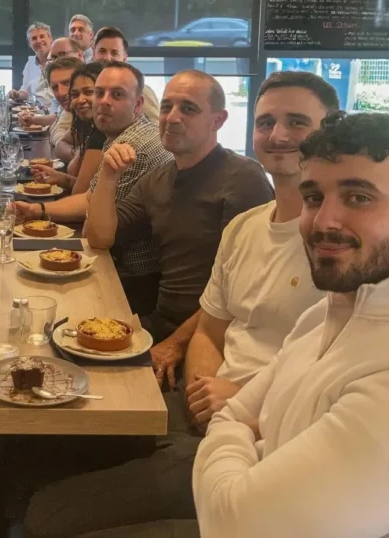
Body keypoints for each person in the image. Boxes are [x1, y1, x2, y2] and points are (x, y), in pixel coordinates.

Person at [24, 71, 336, 538]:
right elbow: (105, 240)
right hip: (192, 387)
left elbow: (327, 379)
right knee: (43, 439)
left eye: (297, 122)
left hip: (254, 436)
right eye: (267, 121)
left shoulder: (331, 244)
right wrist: (108, 175)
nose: (278, 135)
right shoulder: (232, 217)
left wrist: (219, 397)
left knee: (47, 513)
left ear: (218, 121)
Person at [194, 111, 389, 538]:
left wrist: (238, 437)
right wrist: (242, 431)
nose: (323, 222)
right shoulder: (322, 315)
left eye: (359, 197)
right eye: (314, 198)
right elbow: (232, 415)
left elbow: (233, 522)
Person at [86, 70, 274, 375]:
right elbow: (99, 238)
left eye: (188, 109)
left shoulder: (243, 179)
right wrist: (108, 176)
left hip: (213, 338)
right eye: (166, 107)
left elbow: (242, 290)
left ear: (218, 120)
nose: (172, 118)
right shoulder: (157, 179)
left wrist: (176, 344)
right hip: (160, 323)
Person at [15, 62, 173, 313]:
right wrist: (37, 209)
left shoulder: (131, 147)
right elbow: (89, 195)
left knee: (27, 293)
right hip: (125, 267)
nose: (103, 101)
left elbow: (91, 225)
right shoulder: (126, 134)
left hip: (130, 278)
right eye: (100, 93)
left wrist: (38, 209)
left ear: (139, 104)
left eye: (117, 95)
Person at [31, 62, 107, 194]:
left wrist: (40, 209)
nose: (61, 93)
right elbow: (87, 189)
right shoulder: (87, 122)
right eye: (75, 94)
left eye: (89, 92)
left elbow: (80, 195)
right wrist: (61, 178)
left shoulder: (104, 130)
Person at [19, 56, 83, 163]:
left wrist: (65, 148)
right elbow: (57, 125)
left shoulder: (93, 113)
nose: (61, 93)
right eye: (55, 87)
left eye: (67, 83)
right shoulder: (69, 109)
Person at [92, 26, 160, 122]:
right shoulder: (82, 88)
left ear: (124, 58)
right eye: (102, 51)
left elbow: (156, 129)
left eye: (114, 53)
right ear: (93, 53)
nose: (107, 58)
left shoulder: (141, 91)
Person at [9, 22, 54, 107]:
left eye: (42, 36)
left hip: (57, 112)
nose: (38, 41)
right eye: (34, 38)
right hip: (35, 112)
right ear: (30, 44)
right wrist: (16, 94)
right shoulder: (30, 64)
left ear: (50, 38)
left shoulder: (60, 60)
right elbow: (25, 92)